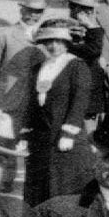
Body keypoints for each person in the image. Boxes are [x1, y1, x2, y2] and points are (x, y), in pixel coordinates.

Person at [19, 19, 96, 205]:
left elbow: (80, 101)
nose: (53, 46)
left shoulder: (77, 66)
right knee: (39, 193)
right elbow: (31, 104)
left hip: (67, 141)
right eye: (48, 41)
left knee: (65, 192)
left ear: (67, 42)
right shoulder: (38, 68)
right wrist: (25, 131)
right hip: (42, 141)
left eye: (59, 41)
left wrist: (68, 133)